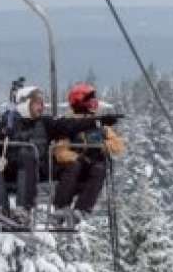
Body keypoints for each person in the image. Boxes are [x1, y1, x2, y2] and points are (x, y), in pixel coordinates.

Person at [0, 85, 106, 227]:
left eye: (42, 103)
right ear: (25, 104)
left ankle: (23, 210)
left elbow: (68, 125)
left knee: (27, 153)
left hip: (38, 169)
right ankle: (0, 207)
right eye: (37, 103)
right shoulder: (7, 124)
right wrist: (2, 133)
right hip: (12, 169)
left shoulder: (45, 123)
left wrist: (93, 122)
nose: (41, 107)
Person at [52, 82, 124, 220]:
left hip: (91, 168)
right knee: (74, 166)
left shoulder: (99, 125)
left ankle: (82, 208)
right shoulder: (68, 124)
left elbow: (118, 145)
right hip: (70, 167)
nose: (93, 104)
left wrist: (104, 145)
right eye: (90, 100)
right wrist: (77, 157)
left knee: (99, 168)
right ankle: (61, 206)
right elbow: (60, 151)